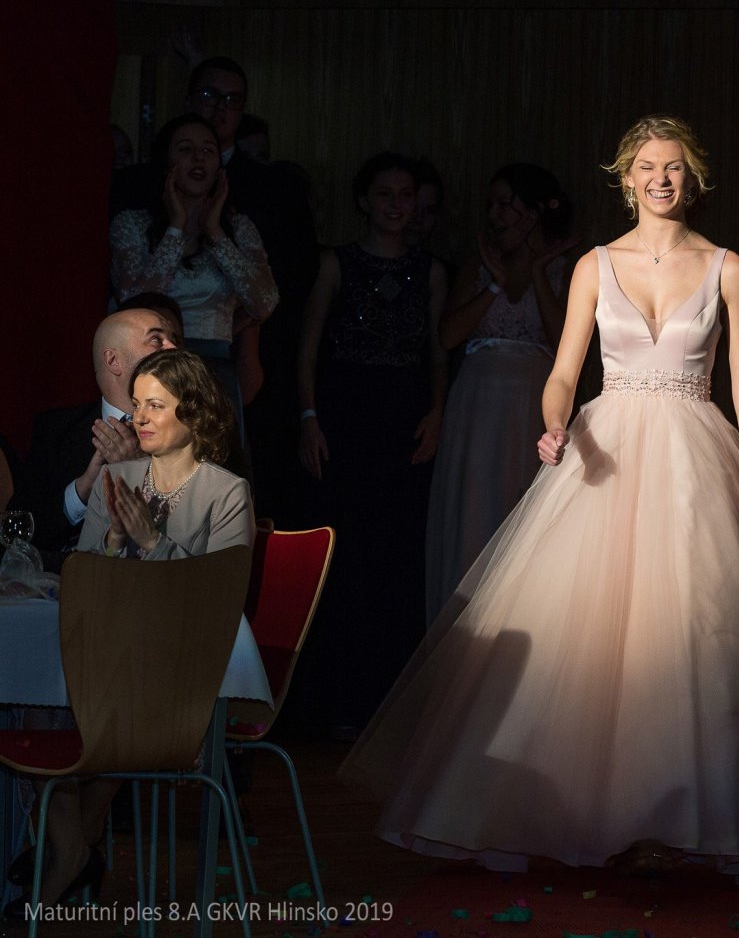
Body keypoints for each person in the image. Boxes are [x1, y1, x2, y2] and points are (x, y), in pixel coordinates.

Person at [339, 115, 739, 876]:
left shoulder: (727, 266)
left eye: (673, 167)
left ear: (692, 179)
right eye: (647, 167)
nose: (661, 178)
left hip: (695, 454)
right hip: (607, 449)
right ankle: (569, 812)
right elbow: (564, 370)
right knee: (583, 638)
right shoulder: (595, 265)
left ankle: (692, 815)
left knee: (697, 635)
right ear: (626, 179)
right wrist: (554, 425)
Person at [4, 348, 253, 921]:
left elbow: (218, 597)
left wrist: (152, 543)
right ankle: (72, 843)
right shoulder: (116, 479)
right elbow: (87, 580)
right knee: (41, 699)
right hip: (112, 658)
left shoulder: (226, 492)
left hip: (181, 673)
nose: (138, 417)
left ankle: (70, 847)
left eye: (155, 406)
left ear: (194, 411)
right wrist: (114, 543)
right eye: (136, 404)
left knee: (93, 699)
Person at [295, 153, 447, 736]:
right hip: (345, 416)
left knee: (396, 557)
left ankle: (387, 708)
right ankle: (334, 705)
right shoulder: (336, 262)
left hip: (404, 419)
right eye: (384, 194)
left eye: (405, 195)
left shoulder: (430, 270)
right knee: (344, 553)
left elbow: (437, 352)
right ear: (364, 200)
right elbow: (308, 348)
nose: (395, 205)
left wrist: (437, 412)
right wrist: (309, 417)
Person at [424, 164, 575, 623]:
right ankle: (462, 627)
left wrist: (539, 271)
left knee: (522, 508)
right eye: (491, 205)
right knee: (474, 508)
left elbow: (565, 342)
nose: (494, 214)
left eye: (505, 204)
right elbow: (448, 335)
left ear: (534, 211)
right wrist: (495, 282)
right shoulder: (478, 262)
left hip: (533, 401)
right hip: (477, 403)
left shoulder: (566, 266)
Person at [109, 113, 280, 433]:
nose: (198, 158)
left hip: (216, 373)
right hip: (154, 369)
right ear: (166, 162)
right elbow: (132, 299)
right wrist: (175, 228)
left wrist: (215, 233)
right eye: (185, 149)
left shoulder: (238, 228)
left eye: (208, 150)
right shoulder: (133, 224)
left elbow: (265, 302)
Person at [14, 309, 179, 564]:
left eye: (174, 339)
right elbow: (18, 533)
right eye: (157, 339)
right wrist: (82, 490)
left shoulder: (200, 426)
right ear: (113, 361)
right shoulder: (57, 430)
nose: (173, 348)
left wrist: (139, 471)